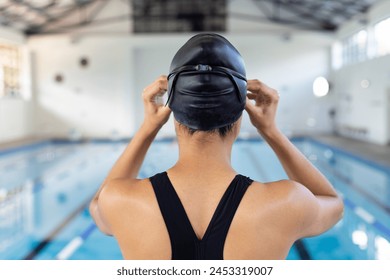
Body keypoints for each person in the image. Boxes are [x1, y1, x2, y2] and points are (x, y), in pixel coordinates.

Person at [89, 33, 344, 260]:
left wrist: (147, 129)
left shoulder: (120, 200)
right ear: (239, 119)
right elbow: (333, 204)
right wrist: (271, 130)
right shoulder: (286, 203)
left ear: (174, 117)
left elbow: (98, 207)